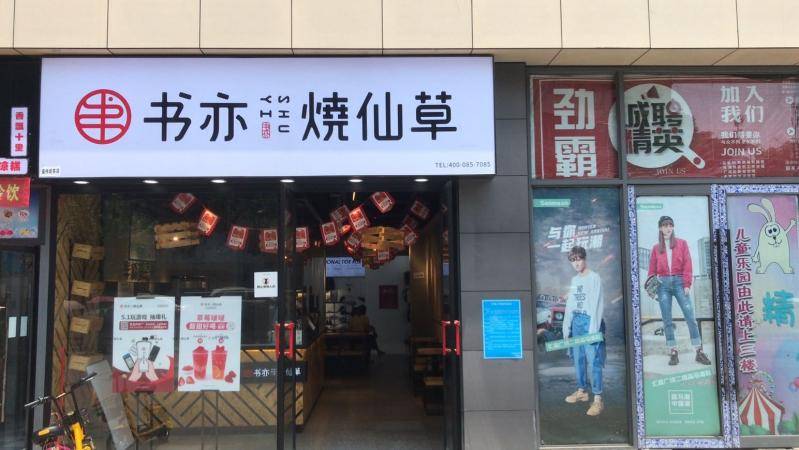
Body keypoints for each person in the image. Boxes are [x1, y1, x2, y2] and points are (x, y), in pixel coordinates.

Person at [647, 216, 712, 366]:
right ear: (660, 228)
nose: (668, 228)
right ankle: (673, 352)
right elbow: (652, 270)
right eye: (665, 225)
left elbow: (688, 264)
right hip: (662, 284)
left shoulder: (682, 243)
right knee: (667, 320)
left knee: (690, 317)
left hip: (679, 282)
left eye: (670, 225)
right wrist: (653, 290)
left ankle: (699, 351)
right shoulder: (656, 248)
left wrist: (687, 284)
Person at [562, 246, 606, 417]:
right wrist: (567, 328)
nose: (576, 263)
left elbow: (598, 304)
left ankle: (598, 399)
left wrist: (593, 329)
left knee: (594, 360)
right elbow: (570, 305)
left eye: (578, 259)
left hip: (590, 321)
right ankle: (582, 391)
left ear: (584, 259)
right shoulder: (574, 280)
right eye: (573, 260)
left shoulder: (594, 278)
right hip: (576, 322)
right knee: (578, 359)